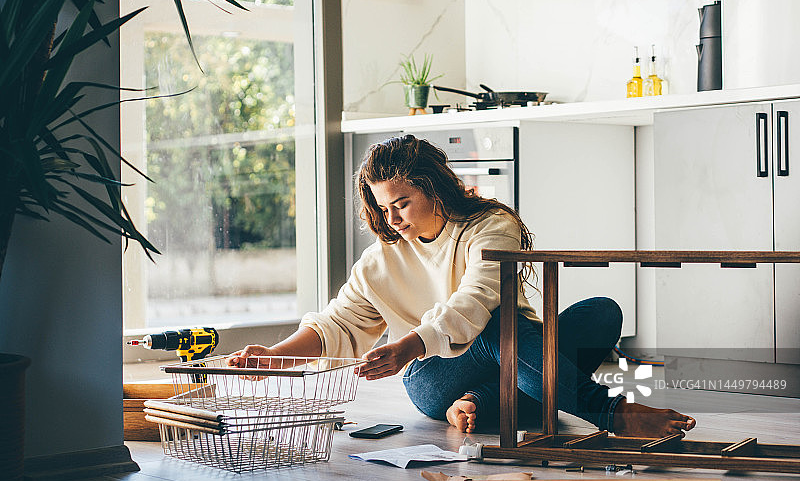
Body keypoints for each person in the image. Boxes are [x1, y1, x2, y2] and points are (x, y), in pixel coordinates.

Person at [228, 134, 695, 437]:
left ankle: (480, 405)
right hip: (431, 377)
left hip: (497, 349)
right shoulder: (380, 260)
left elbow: (474, 301)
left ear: (433, 188)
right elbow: (338, 324)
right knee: (504, 334)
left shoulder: (490, 226)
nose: (390, 219)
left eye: (402, 203)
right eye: (382, 207)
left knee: (600, 312)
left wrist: (408, 342)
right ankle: (613, 414)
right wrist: (274, 355)